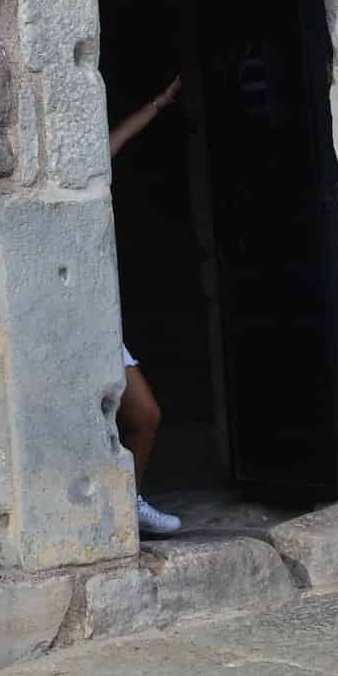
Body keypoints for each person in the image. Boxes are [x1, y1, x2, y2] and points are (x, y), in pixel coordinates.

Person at [109, 75, 183, 538]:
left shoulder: (94, 170)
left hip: (100, 321)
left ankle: (130, 504)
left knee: (146, 416)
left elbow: (116, 139)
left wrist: (159, 102)